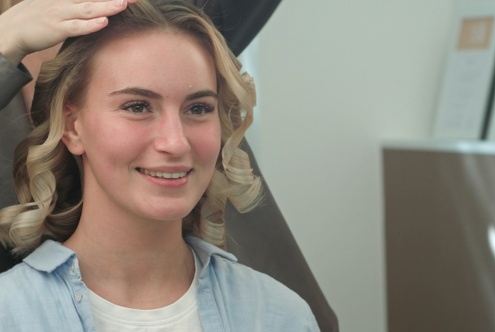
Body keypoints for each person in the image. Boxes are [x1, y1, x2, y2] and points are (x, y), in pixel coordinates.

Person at [0, 1, 339, 330]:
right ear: (72, 126)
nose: (175, 142)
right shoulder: (12, 311)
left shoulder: (281, 315)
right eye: (136, 106)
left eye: (198, 109)